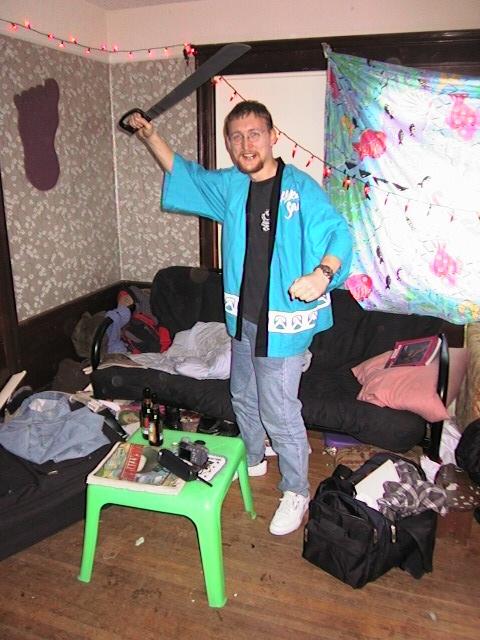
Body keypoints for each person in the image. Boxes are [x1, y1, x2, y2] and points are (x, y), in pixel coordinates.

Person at [128, 100, 352, 535]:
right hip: (243, 320)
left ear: (273, 136)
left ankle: (296, 490)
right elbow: (187, 174)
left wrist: (322, 274)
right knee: (242, 395)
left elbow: (337, 232)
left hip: (283, 325)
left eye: (255, 134)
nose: (246, 144)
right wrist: (151, 136)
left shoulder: (300, 188)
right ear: (229, 144)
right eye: (237, 137)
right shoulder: (233, 185)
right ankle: (252, 457)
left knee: (280, 409)